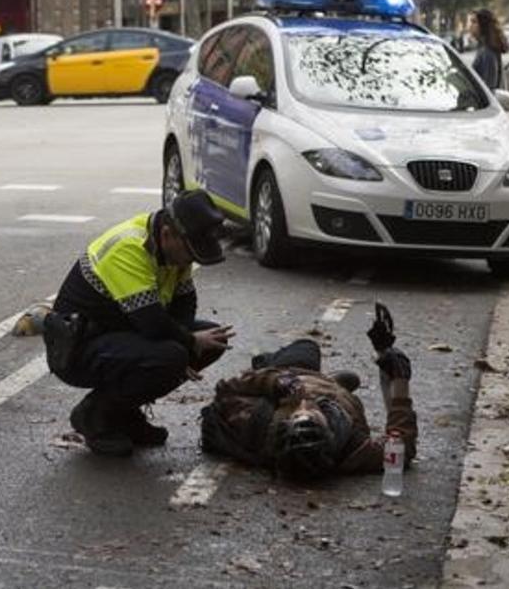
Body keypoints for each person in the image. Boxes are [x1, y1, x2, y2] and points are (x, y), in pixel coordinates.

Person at [43, 190, 235, 457]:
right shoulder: (130, 249)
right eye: (191, 253)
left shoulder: (174, 249)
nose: (191, 261)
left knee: (212, 341)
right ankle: (94, 416)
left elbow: (184, 304)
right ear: (168, 234)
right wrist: (188, 345)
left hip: (124, 334)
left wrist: (191, 347)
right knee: (173, 354)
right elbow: (153, 324)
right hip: (79, 349)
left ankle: (124, 413)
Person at [199, 303, 417, 481]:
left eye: (296, 413)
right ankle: (332, 383)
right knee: (325, 367)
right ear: (330, 431)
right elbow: (401, 448)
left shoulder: (256, 421)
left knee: (307, 347)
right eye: (312, 412)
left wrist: (274, 382)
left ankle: (267, 362)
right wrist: (397, 376)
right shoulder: (354, 449)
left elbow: (225, 390)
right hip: (333, 391)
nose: (304, 403)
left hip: (293, 373)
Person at [469, 9, 508, 90]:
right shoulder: (484, 49)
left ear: (483, 25)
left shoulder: (487, 53)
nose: (470, 26)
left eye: (474, 22)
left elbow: (490, 89)